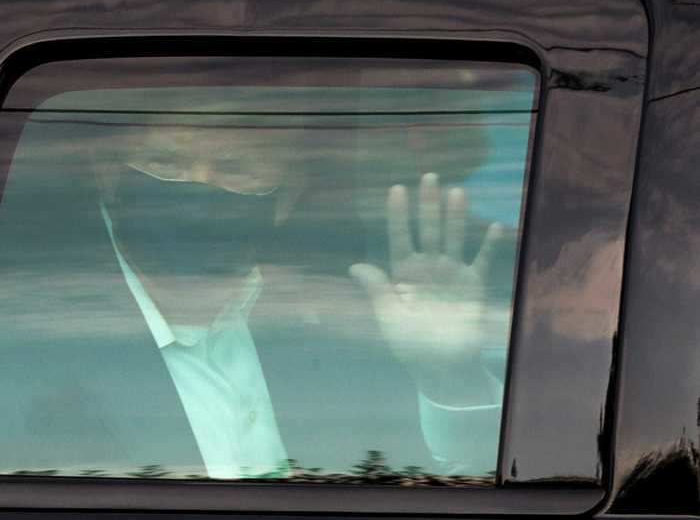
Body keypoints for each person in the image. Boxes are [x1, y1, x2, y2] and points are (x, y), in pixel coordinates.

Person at [0, 107, 511, 480]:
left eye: (235, 169)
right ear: (107, 176)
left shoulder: (338, 330)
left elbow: (459, 488)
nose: (197, 187)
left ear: (287, 196)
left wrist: (450, 376)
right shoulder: (27, 342)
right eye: (165, 163)